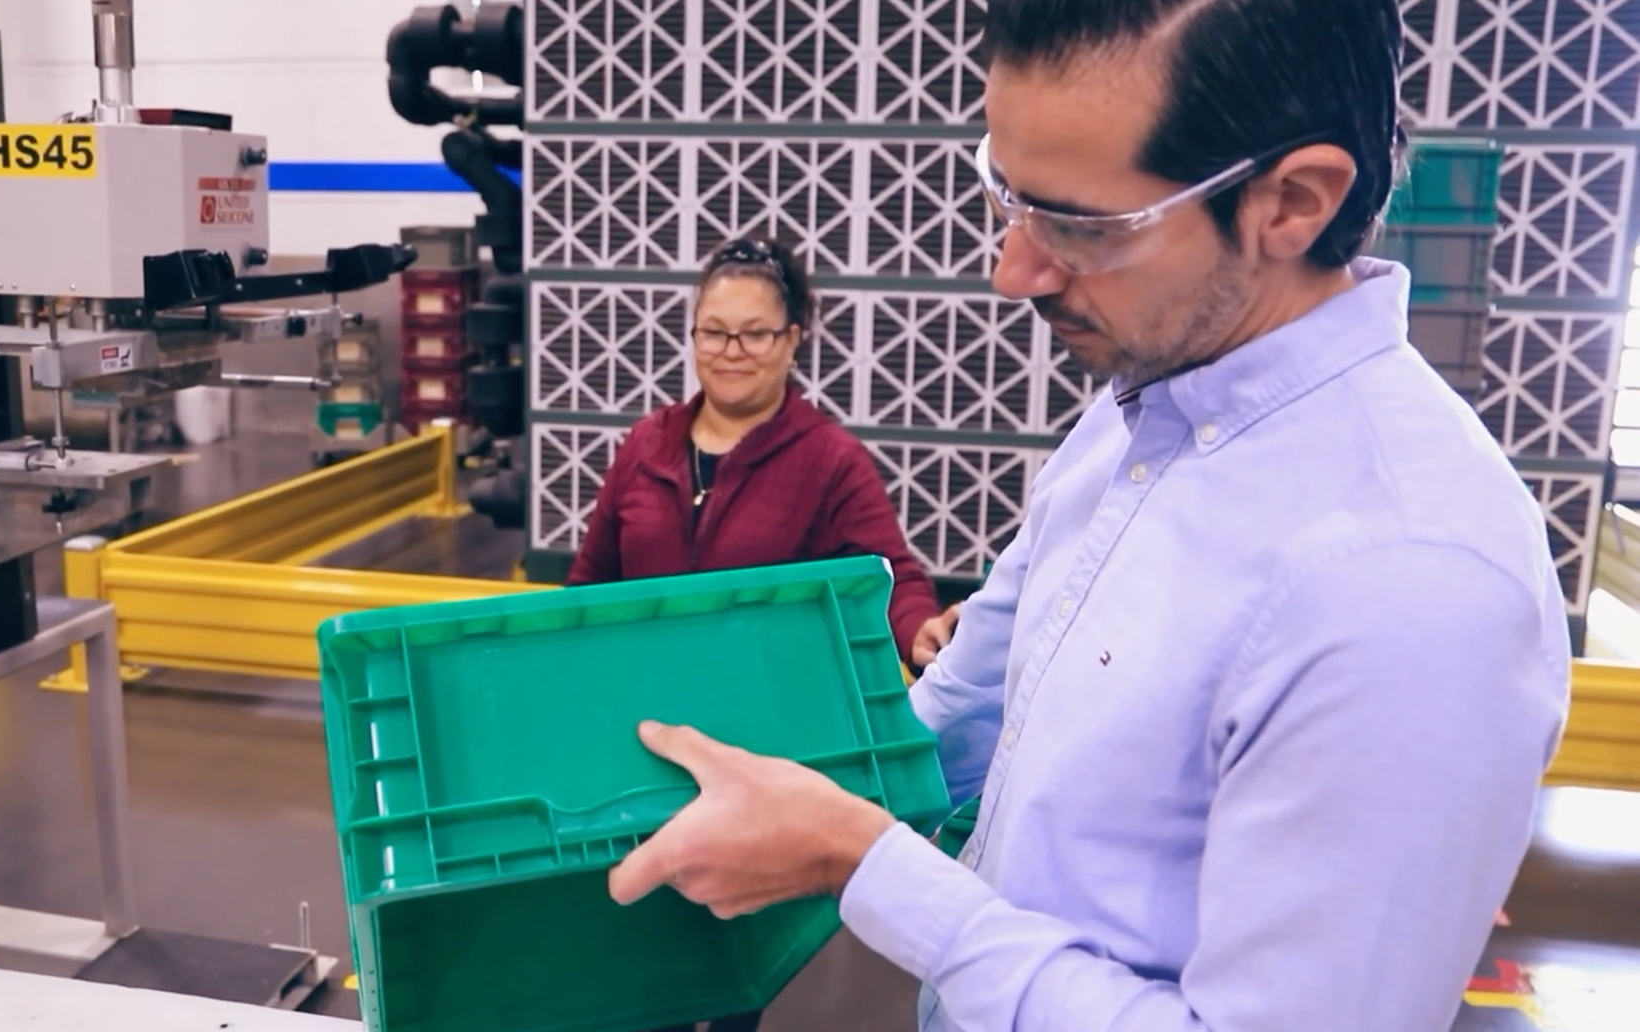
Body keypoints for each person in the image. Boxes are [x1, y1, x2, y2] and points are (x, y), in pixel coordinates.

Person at [602, 3, 1572, 1031]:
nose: (1013, 271)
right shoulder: (1137, 418)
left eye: (1078, 224)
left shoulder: (1409, 582)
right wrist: (792, 793)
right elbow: (966, 723)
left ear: (1292, 202)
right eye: (1009, 199)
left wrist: (862, 860)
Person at [568, 237, 942, 671]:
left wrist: (919, 631)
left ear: (791, 341)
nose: (731, 351)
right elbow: (589, 584)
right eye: (714, 332)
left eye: (755, 334)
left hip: (764, 717)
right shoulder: (645, 443)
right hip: (641, 696)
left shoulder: (832, 460)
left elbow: (891, 576)